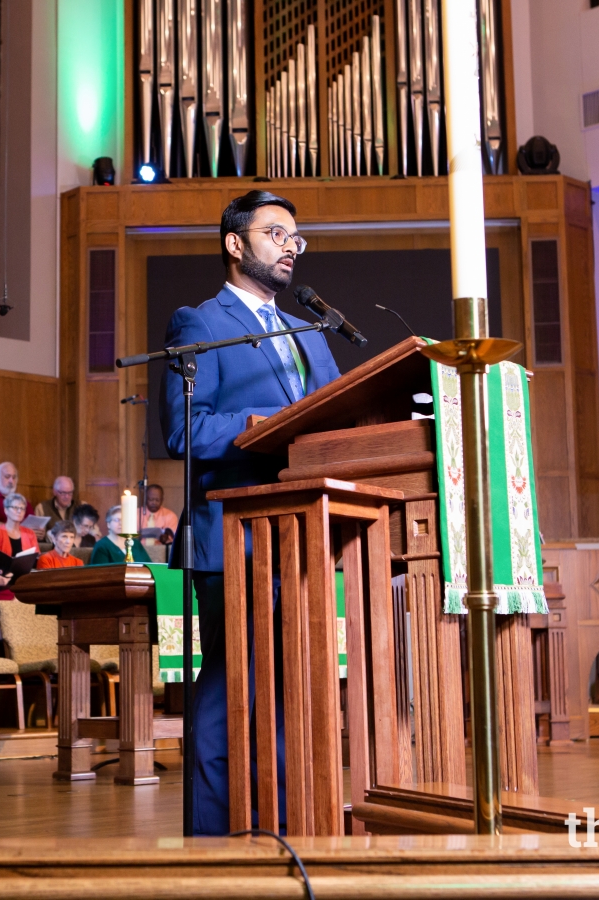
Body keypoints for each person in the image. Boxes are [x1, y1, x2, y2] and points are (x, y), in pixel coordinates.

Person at [161, 190, 340, 835]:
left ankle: (282, 827)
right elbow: (184, 431)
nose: (291, 244)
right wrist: (257, 425)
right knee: (228, 691)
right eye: (275, 232)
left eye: (297, 235)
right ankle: (210, 840)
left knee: (290, 689)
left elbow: (332, 421)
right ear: (236, 244)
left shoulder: (310, 336)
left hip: (298, 536)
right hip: (231, 536)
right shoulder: (200, 323)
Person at [0, 492, 38, 557]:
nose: (19, 511)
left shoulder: (30, 533)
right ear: (6, 510)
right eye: (15, 507)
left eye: (22, 508)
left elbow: (36, 556)